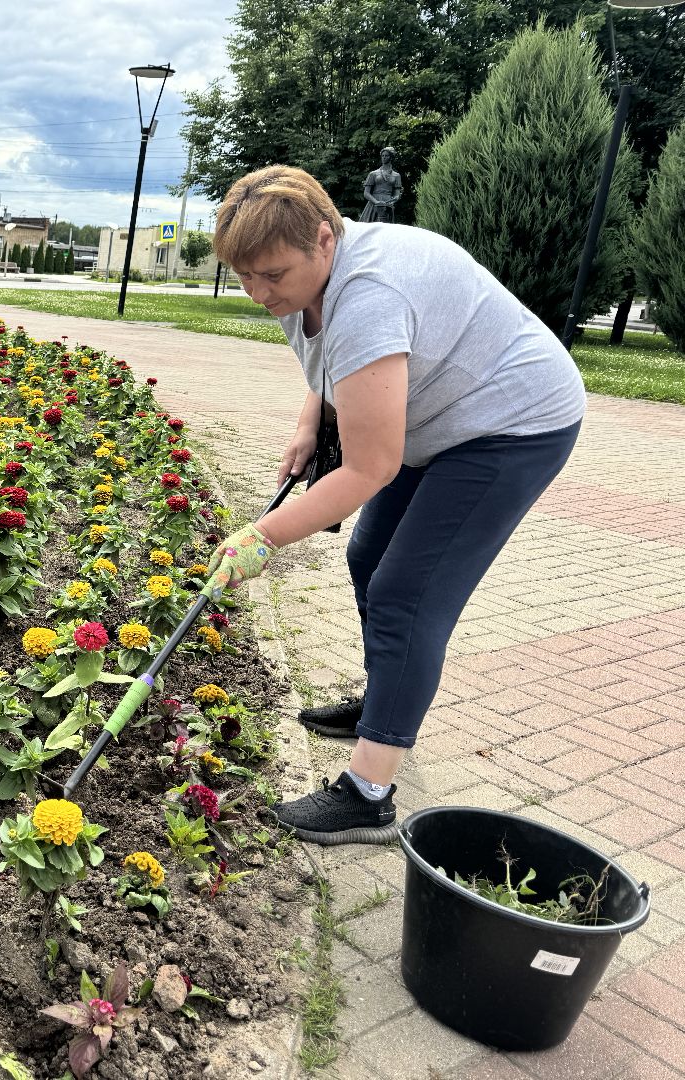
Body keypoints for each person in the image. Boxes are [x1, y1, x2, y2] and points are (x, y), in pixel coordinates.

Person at [199, 165, 584, 845]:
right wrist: (308, 423)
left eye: (272, 275)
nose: (259, 292)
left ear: (324, 238)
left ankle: (369, 792)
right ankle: (386, 702)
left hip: (511, 424)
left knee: (409, 590)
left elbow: (371, 466)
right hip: (435, 415)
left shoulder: (370, 293)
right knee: (368, 553)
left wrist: (260, 538)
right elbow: (337, 363)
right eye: (244, 276)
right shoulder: (308, 282)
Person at [360, 147, 403, 224]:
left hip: (388, 204)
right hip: (374, 203)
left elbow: (397, 194)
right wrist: (376, 202)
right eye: (382, 155)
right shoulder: (373, 174)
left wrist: (392, 201)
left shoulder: (397, 175)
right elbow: (366, 193)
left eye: (386, 156)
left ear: (391, 157)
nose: (384, 157)